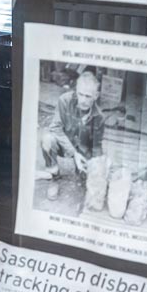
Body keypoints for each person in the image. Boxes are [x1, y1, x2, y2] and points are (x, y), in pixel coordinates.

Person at [38, 72, 106, 200]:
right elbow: (55, 128)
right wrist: (74, 154)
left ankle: (81, 173)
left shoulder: (99, 117)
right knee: (47, 139)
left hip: (84, 151)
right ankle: (54, 178)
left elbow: (97, 146)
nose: (84, 100)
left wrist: (97, 168)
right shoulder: (64, 100)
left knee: (89, 183)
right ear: (76, 91)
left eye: (88, 96)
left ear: (96, 96)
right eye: (80, 94)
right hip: (64, 146)